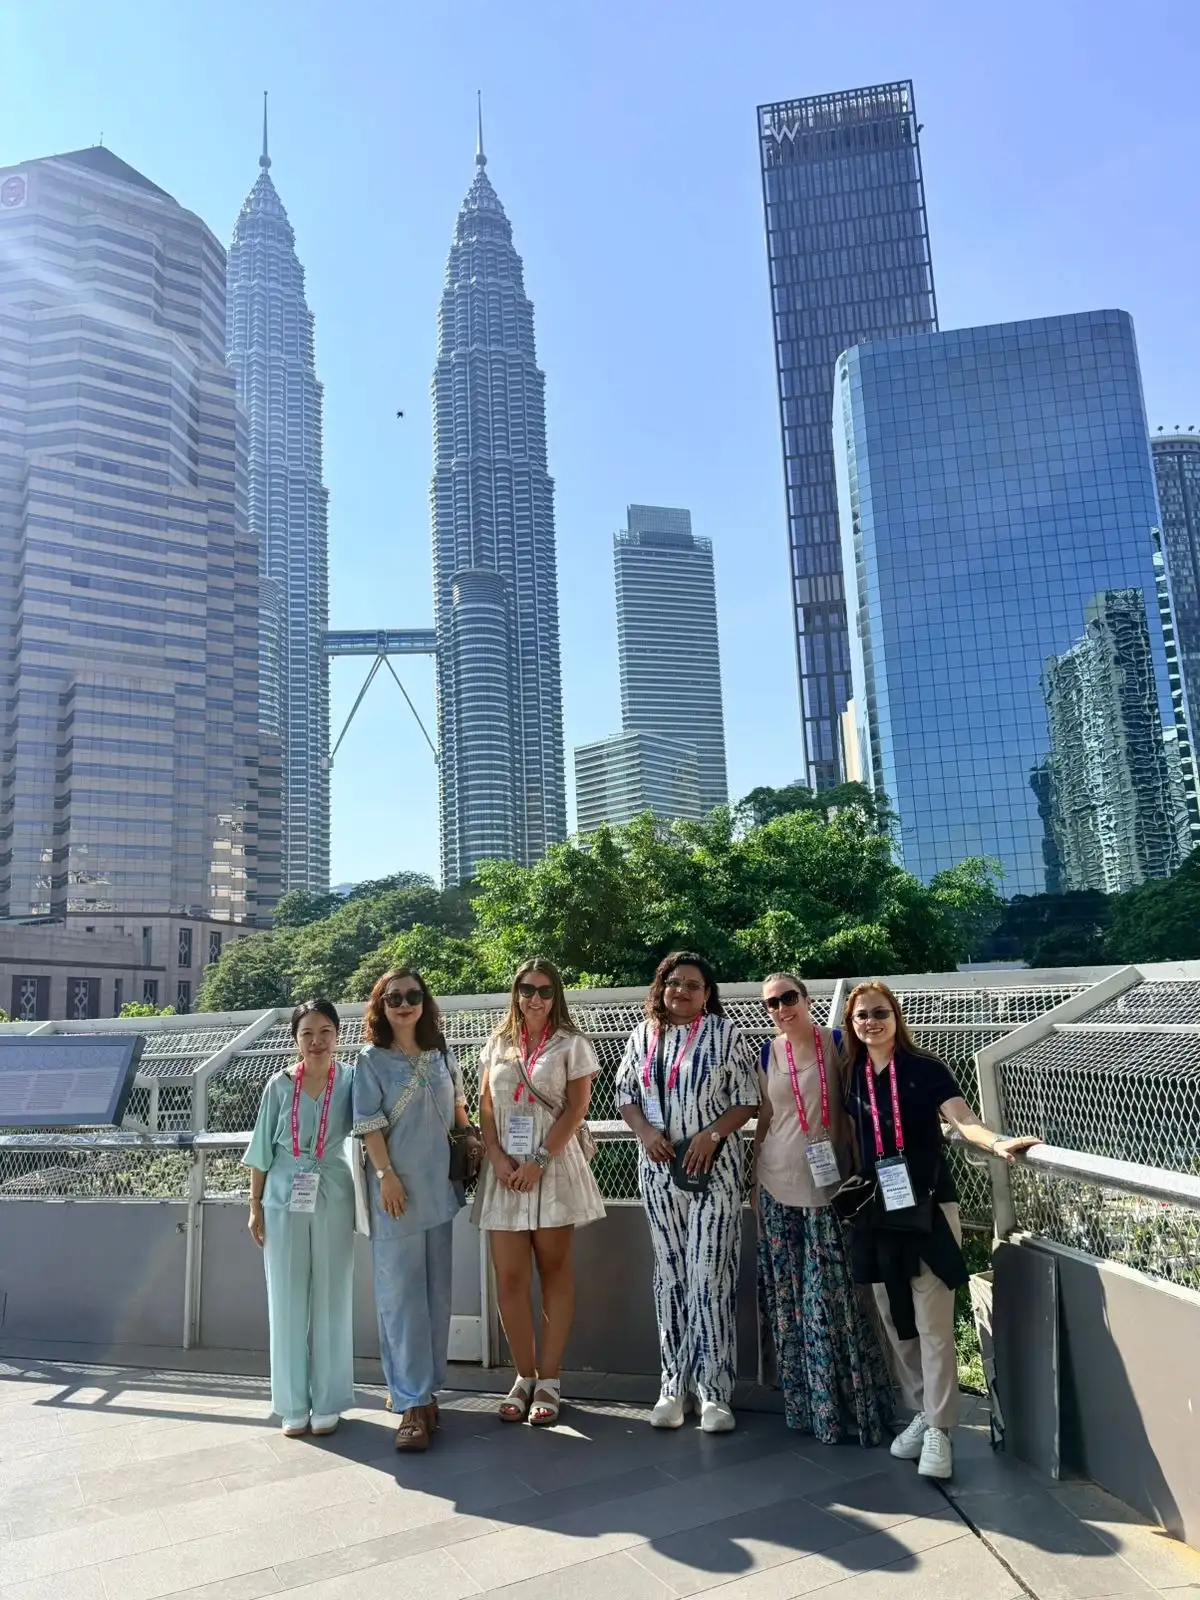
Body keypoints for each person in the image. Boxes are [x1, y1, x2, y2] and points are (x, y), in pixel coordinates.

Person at [842, 980, 1040, 1481]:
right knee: (896, 1320)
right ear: (851, 1022)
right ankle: (923, 1412)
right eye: (862, 1015)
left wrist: (995, 1143)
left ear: (896, 1016)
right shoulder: (852, 1075)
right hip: (878, 1212)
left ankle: (940, 1429)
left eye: (880, 1013)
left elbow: (962, 1117)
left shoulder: (925, 1068)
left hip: (928, 1208)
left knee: (932, 1323)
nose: (871, 1022)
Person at [616, 951, 759, 1433]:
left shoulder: (726, 1034)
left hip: (712, 1172)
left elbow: (747, 1099)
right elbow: (626, 1096)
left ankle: (714, 1392)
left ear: (707, 994)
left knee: (709, 1273)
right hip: (658, 1171)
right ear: (661, 987)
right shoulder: (642, 1036)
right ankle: (673, 1386)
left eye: (693, 985)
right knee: (670, 1276)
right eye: (674, 982)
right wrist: (645, 1134)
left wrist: (712, 1134)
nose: (682, 991)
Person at [755, 974, 894, 1446]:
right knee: (791, 1303)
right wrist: (753, 1178)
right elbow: (768, 1116)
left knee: (832, 1301)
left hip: (830, 1192)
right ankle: (811, 1412)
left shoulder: (836, 1043)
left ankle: (853, 1409)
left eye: (789, 997)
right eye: (772, 1003)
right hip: (777, 1185)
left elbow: (863, 1105)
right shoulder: (768, 1053)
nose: (781, 1008)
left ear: (807, 999)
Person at [475, 958, 605, 1427]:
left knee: (554, 1273)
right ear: (516, 993)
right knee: (509, 1278)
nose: (535, 998)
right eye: (527, 989)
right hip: (505, 1170)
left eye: (545, 991)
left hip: (551, 1167)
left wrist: (539, 1162)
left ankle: (549, 1380)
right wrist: (496, 1155)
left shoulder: (572, 1043)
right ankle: (523, 1376)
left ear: (556, 996)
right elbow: (486, 1104)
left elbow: (576, 1109)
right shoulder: (498, 1043)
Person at [353, 968, 476, 1452]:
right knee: (400, 1299)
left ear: (425, 1002)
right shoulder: (371, 1060)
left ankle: (427, 1392)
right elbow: (368, 1124)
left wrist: (471, 1142)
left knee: (435, 1297)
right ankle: (410, 1402)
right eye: (393, 998)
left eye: (412, 996)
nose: (404, 1004)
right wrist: (386, 1175)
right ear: (380, 1006)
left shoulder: (441, 1052)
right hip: (396, 1195)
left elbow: (459, 1108)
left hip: (439, 1192)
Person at [245, 999, 356, 1438]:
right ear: (295, 1039)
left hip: (334, 1191)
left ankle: (328, 1401)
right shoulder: (278, 1085)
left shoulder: (351, 1080)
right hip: (282, 1194)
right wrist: (254, 1205)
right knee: (286, 1300)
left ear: (337, 1035)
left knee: (332, 1296)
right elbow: (260, 1149)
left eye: (325, 1031)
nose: (317, 1041)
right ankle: (292, 1404)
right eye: (307, 1033)